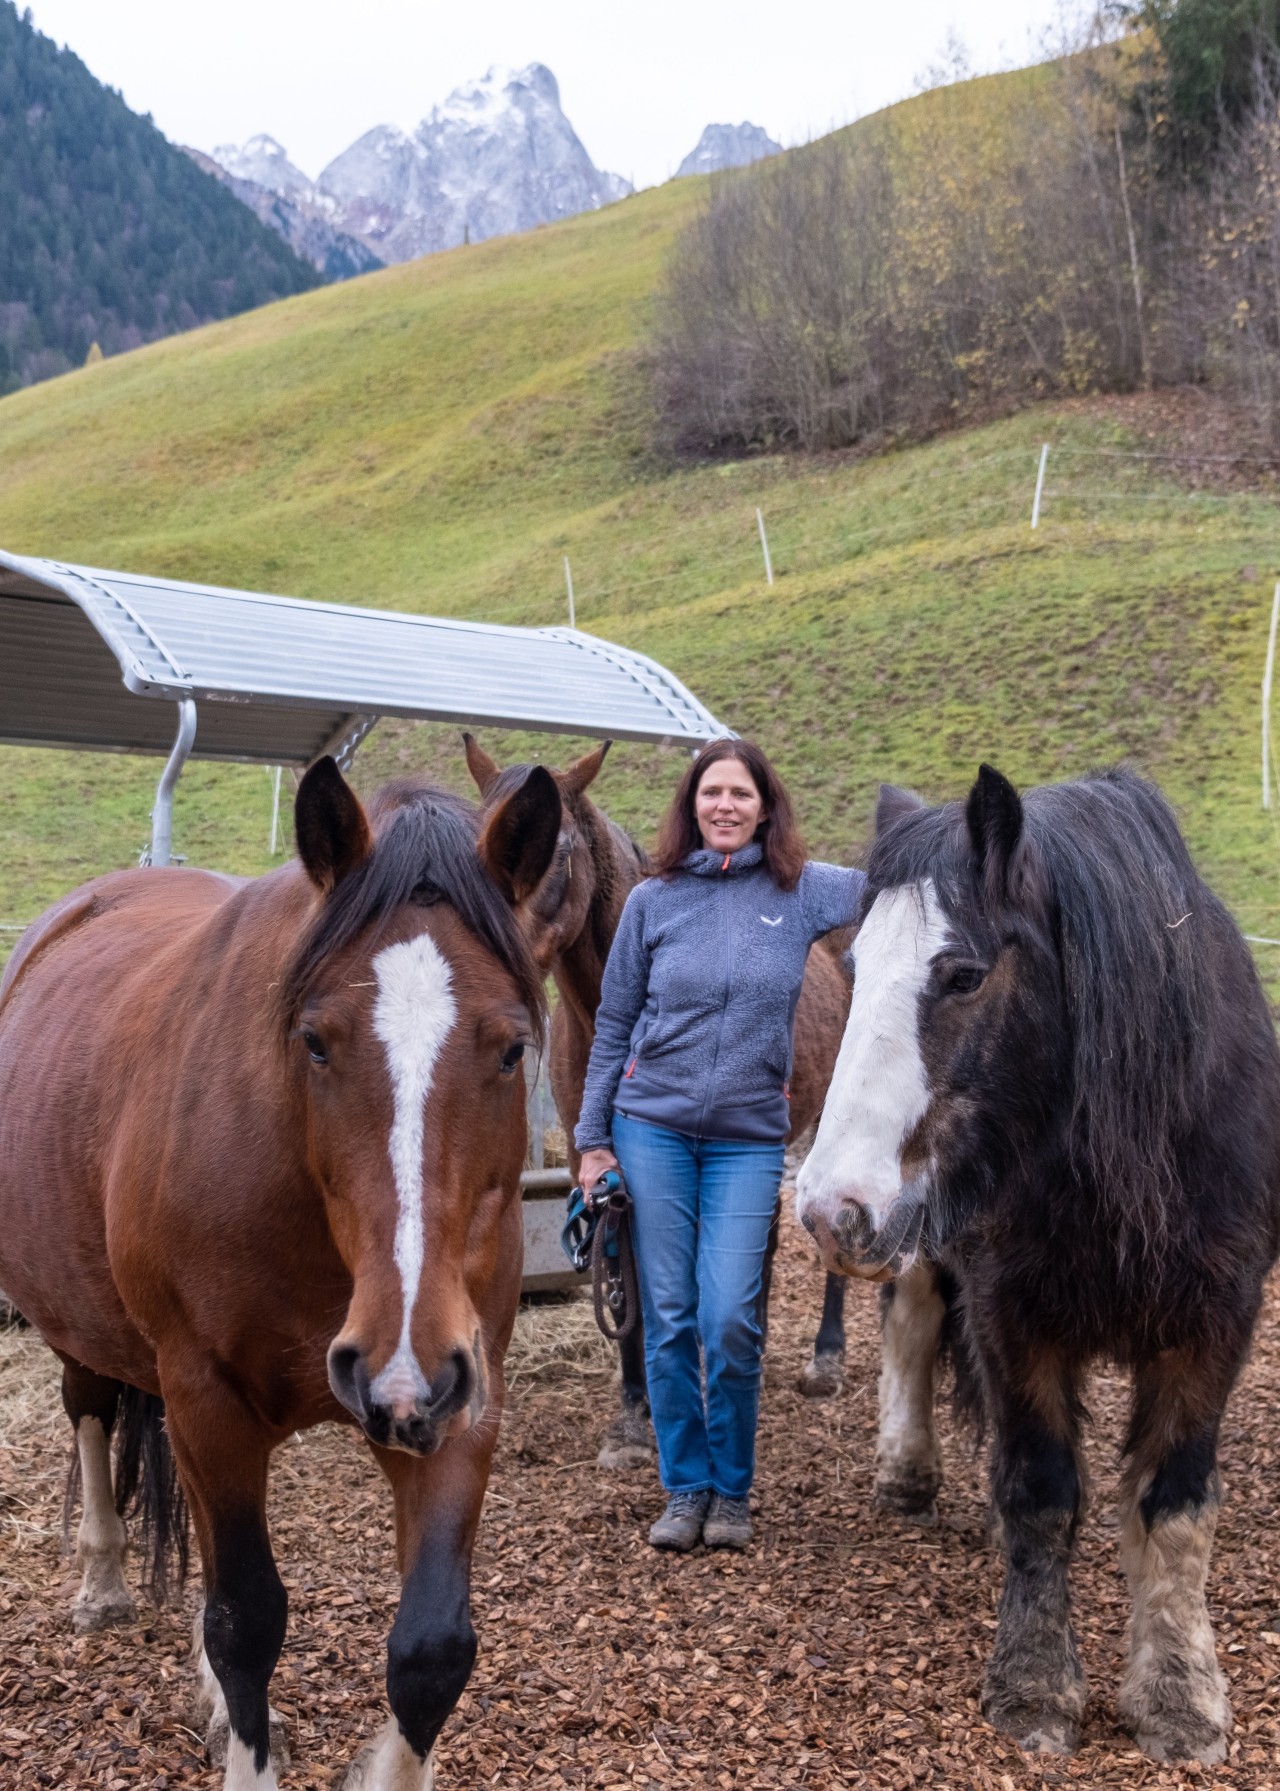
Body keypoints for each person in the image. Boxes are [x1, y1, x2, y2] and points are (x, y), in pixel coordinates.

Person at [574, 739, 865, 1551]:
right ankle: (686, 1488)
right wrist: (592, 1139)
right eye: (712, 793)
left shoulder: (802, 893)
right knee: (668, 1315)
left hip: (746, 1139)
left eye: (741, 793)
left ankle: (732, 1490)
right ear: (691, 806)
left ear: (766, 807)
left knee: (730, 1315)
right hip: (652, 1127)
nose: (726, 806)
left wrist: (947, 843)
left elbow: (896, 888)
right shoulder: (652, 902)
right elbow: (614, 1026)